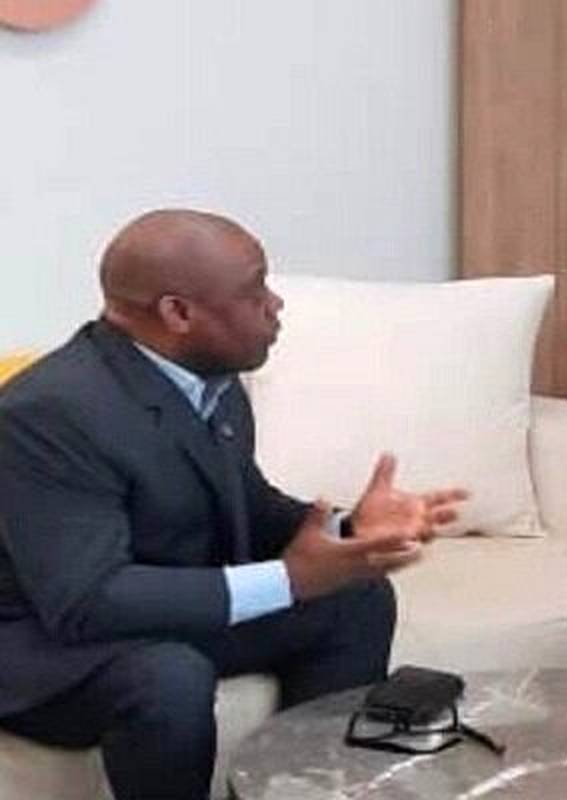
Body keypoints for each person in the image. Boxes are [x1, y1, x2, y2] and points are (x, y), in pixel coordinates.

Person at [0, 209, 468, 800]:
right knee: (169, 677)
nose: (276, 305)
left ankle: (305, 791)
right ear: (178, 313)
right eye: (255, 290)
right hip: (41, 645)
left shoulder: (211, 382)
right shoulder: (49, 413)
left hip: (156, 615)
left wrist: (350, 532)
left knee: (354, 596)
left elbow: (246, 507)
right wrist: (290, 579)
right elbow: (87, 600)